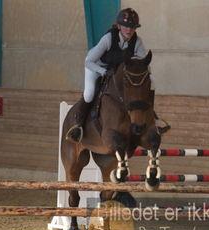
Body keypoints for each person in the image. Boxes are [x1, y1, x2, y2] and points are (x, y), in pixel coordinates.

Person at [66, 8, 170, 143]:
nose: (129, 30)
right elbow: (88, 61)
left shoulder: (137, 42)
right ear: (119, 26)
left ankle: (153, 118)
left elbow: (143, 63)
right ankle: (77, 126)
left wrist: (145, 74)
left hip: (117, 72)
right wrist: (103, 72)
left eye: (133, 27)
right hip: (97, 67)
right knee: (89, 93)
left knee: (152, 80)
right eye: (126, 26)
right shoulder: (108, 39)